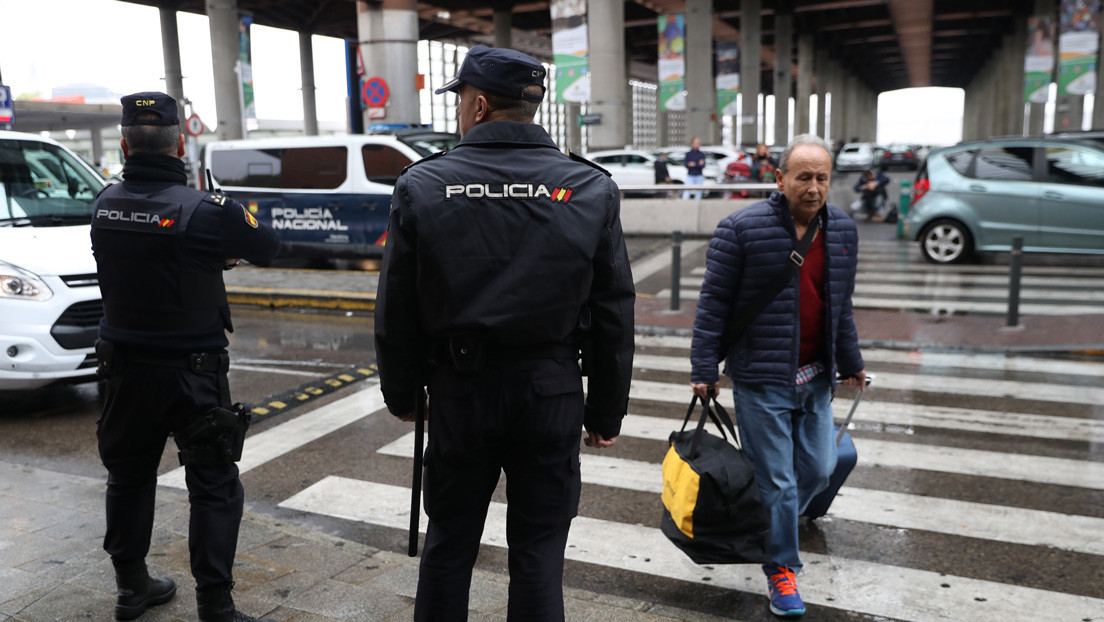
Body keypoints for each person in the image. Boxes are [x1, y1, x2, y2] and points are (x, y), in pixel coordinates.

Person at [374, 45, 635, 622]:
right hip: (551, 390)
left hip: (460, 391)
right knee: (539, 554)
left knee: (449, 547)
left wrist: (402, 393)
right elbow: (614, 308)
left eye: (461, 100)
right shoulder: (589, 186)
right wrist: (605, 410)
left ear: (479, 104)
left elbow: (397, 304)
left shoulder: (424, 183)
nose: (459, 111)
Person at [90, 91, 281, 622]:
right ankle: (215, 605)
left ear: (124, 145)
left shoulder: (103, 204)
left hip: (124, 370)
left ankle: (131, 589)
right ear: (180, 147)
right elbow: (269, 247)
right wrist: (222, 249)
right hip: (192, 376)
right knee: (213, 484)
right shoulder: (208, 210)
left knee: (128, 477)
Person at [689, 134, 865, 617]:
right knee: (780, 484)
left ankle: (768, 520)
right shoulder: (740, 229)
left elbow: (840, 307)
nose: (814, 188)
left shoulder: (843, 229)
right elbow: (713, 305)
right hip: (761, 378)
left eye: (822, 178)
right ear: (779, 178)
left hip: (816, 376)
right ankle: (781, 568)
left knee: (819, 469)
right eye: (803, 177)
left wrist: (851, 361)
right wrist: (703, 368)